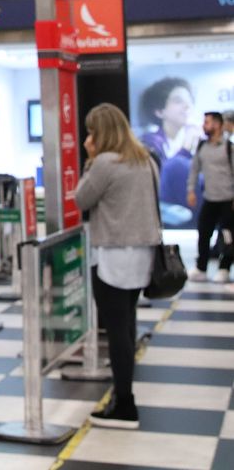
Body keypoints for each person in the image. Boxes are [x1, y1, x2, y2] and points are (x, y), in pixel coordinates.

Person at [74, 103, 162, 430]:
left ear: (102, 134)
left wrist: (90, 162)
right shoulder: (145, 159)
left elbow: (82, 199)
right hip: (142, 255)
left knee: (116, 331)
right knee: (126, 326)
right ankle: (123, 395)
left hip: (112, 254)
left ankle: (124, 404)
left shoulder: (105, 163)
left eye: (91, 132)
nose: (87, 139)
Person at [137, 77, 200, 227]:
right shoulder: (148, 143)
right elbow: (162, 177)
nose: (186, 106)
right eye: (178, 101)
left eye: (188, 100)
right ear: (159, 111)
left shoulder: (201, 137)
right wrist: (184, 151)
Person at [186, 112, 234, 283]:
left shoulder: (229, 148)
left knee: (228, 235)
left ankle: (224, 267)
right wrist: (190, 190)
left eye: (207, 122)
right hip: (209, 198)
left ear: (218, 125)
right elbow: (194, 170)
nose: (204, 126)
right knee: (203, 232)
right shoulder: (201, 147)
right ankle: (201, 267)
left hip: (227, 199)